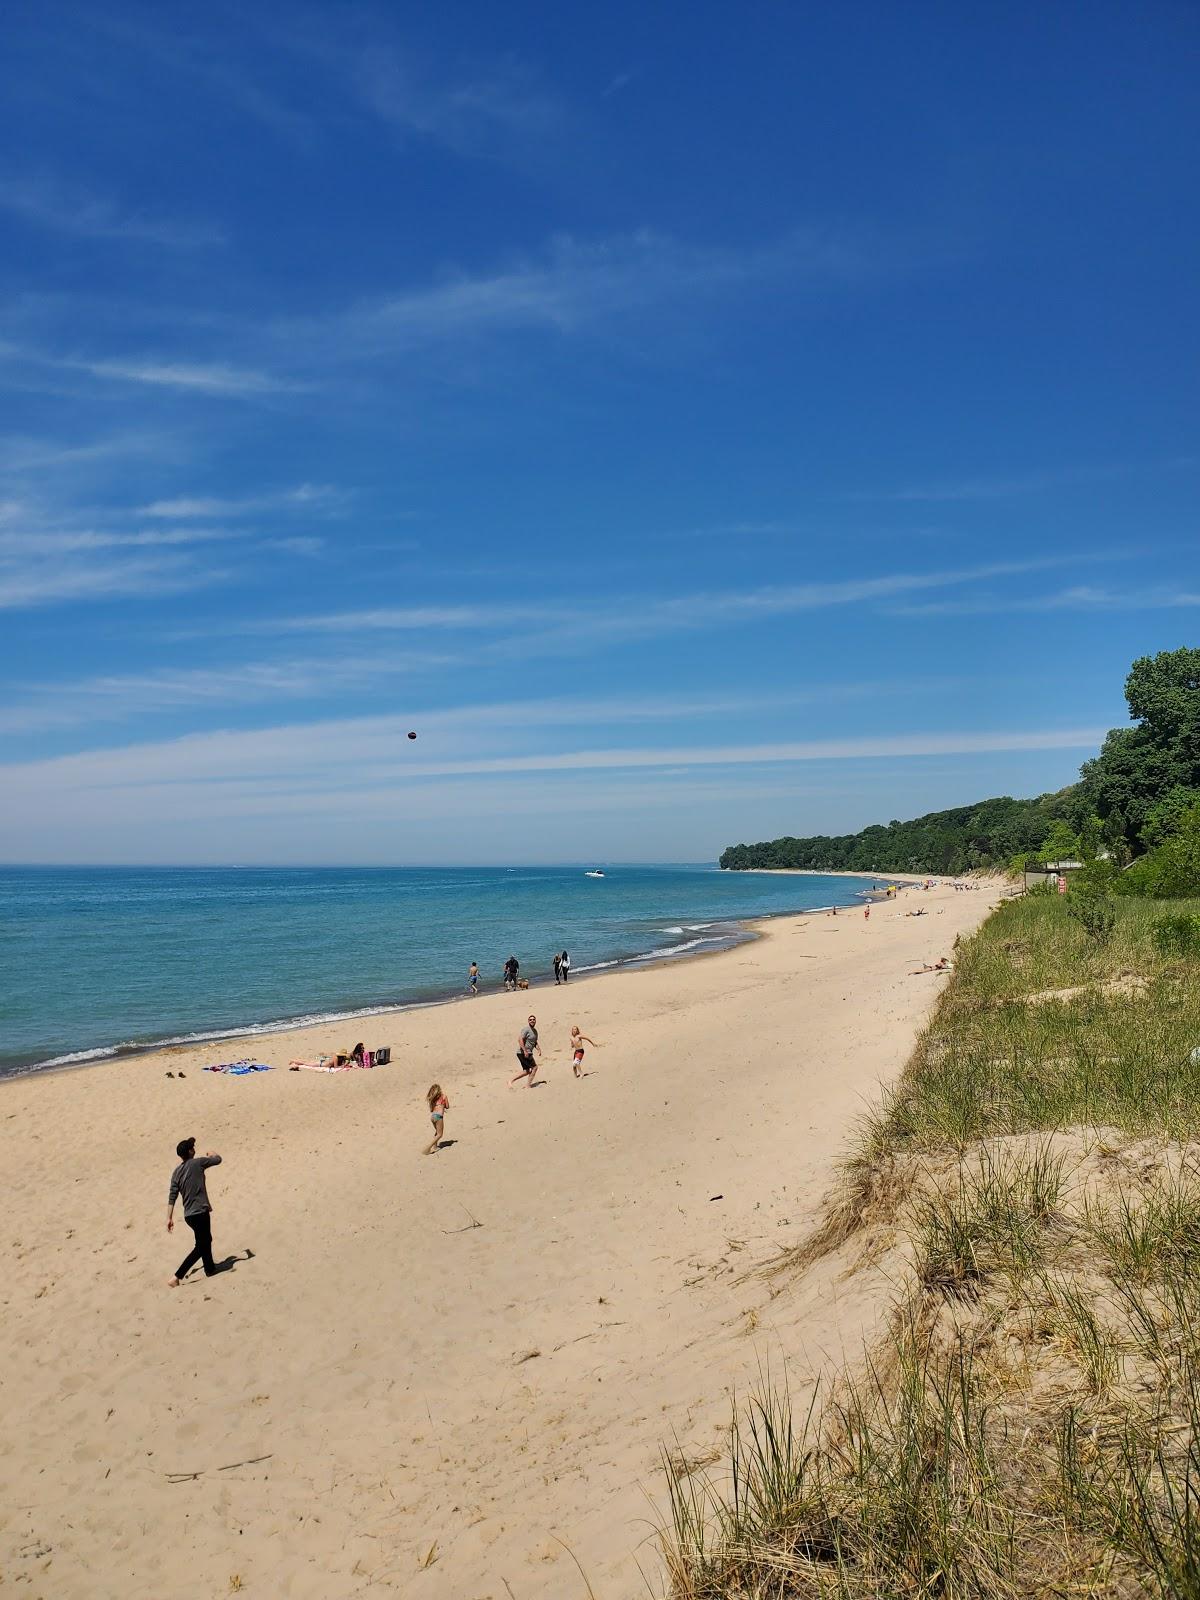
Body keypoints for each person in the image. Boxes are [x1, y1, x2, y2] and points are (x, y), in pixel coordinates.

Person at [166, 1137, 223, 1287]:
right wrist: (212, 1153)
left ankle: (210, 1269)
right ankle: (177, 1276)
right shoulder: (198, 1163)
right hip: (200, 1212)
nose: (194, 1148)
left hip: (189, 1215)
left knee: (205, 1240)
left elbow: (172, 1195)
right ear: (190, 1151)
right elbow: (218, 1160)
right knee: (201, 1245)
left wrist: (169, 1218)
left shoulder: (176, 1172)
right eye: (193, 1147)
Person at [509, 1014, 541, 1085]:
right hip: (523, 1052)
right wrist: (525, 1051)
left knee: (526, 1071)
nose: (532, 1021)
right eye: (530, 1020)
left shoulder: (535, 1031)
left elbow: (534, 1042)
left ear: (535, 1021)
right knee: (535, 1067)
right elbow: (520, 1039)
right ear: (528, 1021)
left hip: (525, 1052)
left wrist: (539, 1049)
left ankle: (510, 1081)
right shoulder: (526, 1029)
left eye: (533, 1019)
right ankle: (528, 1086)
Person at [425, 1084, 449, 1154]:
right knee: (440, 1134)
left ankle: (435, 1147)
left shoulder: (433, 1100)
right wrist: (443, 1104)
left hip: (433, 1117)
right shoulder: (444, 1096)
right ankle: (428, 1147)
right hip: (438, 1116)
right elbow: (447, 1106)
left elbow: (431, 1110)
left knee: (437, 1132)